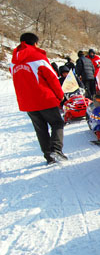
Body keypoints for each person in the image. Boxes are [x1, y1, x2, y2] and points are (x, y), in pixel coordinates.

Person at [10, 32, 66, 164]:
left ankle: (48, 156)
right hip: (45, 98)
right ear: (35, 43)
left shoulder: (13, 61)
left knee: (40, 129)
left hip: (27, 103)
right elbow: (52, 78)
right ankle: (56, 150)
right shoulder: (38, 57)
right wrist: (60, 96)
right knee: (57, 123)